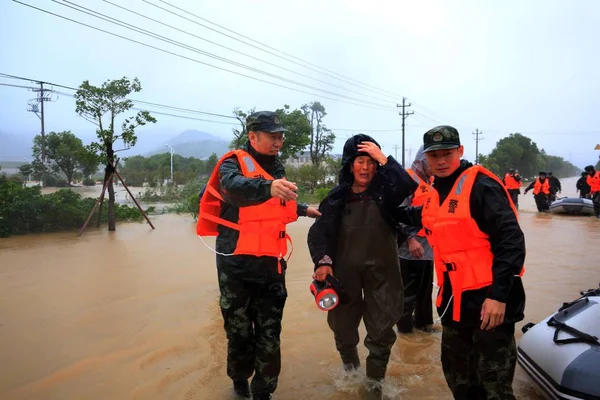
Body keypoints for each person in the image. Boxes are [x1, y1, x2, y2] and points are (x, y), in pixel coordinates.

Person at [196, 111, 320, 400]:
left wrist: (302, 209)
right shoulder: (232, 163)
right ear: (252, 137)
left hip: (271, 265)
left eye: (281, 136)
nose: (279, 142)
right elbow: (233, 188)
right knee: (238, 332)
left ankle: (264, 390)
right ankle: (239, 381)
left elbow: (276, 205)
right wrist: (268, 187)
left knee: (269, 333)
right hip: (235, 264)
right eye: (272, 136)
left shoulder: (276, 168)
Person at [413, 125, 526, 400]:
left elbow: (511, 243)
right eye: (434, 155)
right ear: (426, 159)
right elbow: (416, 219)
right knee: (458, 378)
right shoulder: (434, 192)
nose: (441, 161)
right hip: (454, 300)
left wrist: (498, 296)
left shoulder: (481, 187)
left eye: (447, 153)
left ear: (460, 151)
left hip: (489, 301)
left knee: (494, 386)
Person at [307, 134, 418, 398]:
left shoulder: (386, 195)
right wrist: (323, 262)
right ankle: (352, 372)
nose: (366, 167)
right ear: (349, 165)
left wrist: (384, 157)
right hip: (344, 273)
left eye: (371, 161)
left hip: (383, 272)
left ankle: (373, 386)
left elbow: (407, 185)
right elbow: (318, 233)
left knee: (381, 331)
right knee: (343, 329)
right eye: (360, 161)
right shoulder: (336, 198)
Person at [396, 145, 435, 334]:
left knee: (426, 289)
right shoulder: (407, 180)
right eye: (432, 161)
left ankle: (423, 323)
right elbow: (397, 214)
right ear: (422, 161)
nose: (436, 165)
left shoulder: (431, 181)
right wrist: (410, 239)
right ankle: (404, 330)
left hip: (429, 246)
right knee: (408, 291)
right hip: (410, 248)